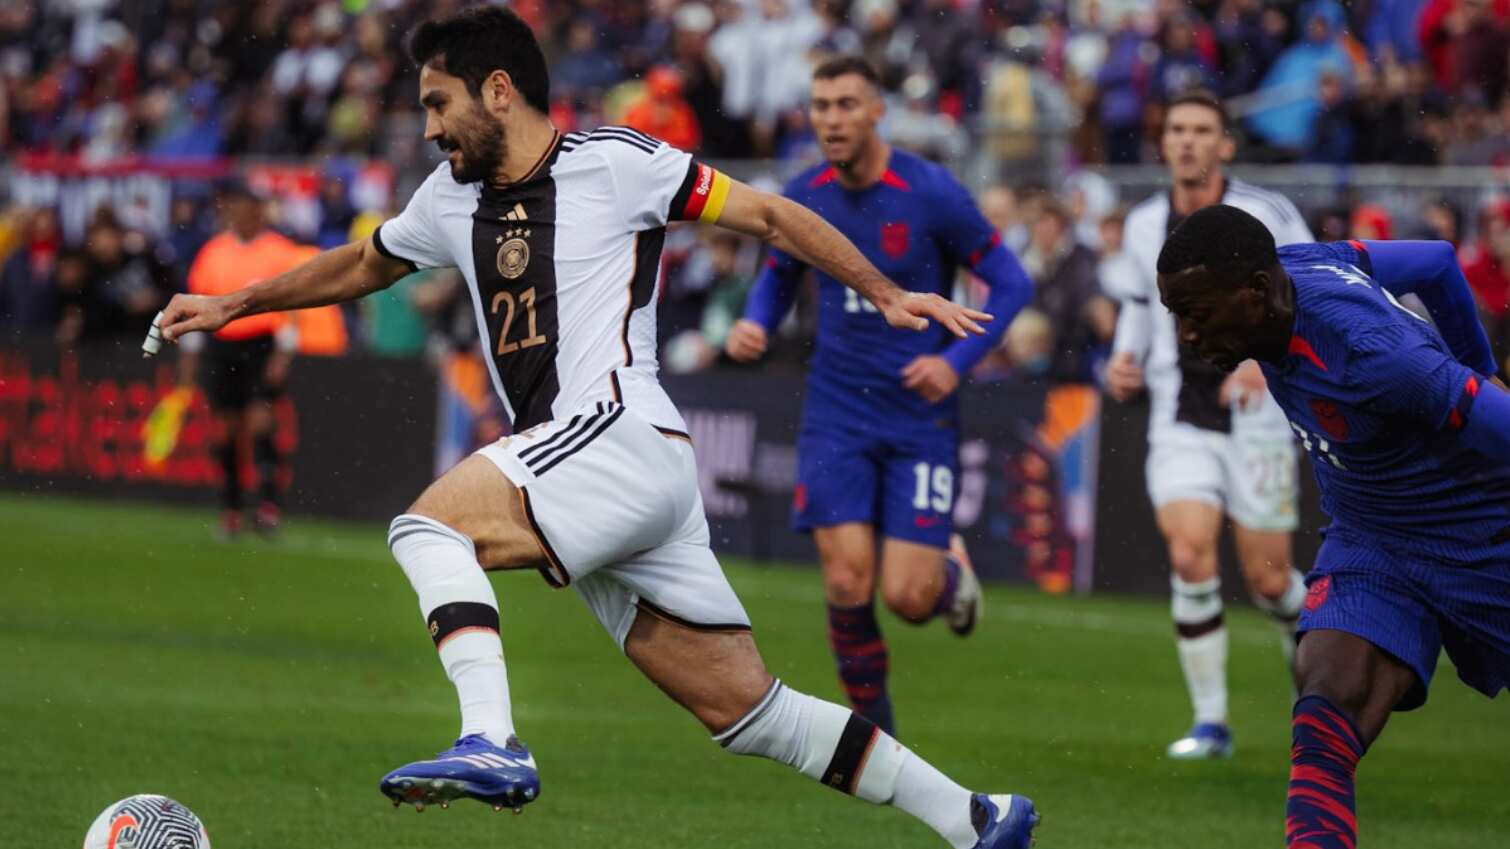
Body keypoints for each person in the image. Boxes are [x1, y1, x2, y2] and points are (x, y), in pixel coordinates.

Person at [153, 8, 1038, 848]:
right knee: (749, 711)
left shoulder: (617, 161)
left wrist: (882, 290)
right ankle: (978, 818)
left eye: (437, 103)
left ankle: (492, 738)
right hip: (610, 469)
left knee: (427, 528)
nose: (428, 128)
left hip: (617, 430)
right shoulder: (448, 197)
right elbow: (362, 262)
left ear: (498, 90)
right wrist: (235, 302)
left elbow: (766, 213)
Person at [1154, 203, 1510, 849]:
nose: (1186, 335)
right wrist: (1481, 361)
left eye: (1196, 314)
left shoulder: (1376, 357)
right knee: (1325, 700)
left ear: (1256, 294)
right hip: (1372, 537)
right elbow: (1432, 263)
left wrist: (1478, 378)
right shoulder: (1299, 262)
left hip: (1479, 540)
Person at [724, 56, 1033, 736]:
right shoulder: (803, 194)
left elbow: (1012, 283)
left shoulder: (931, 192)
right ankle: (875, 737)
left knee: (909, 598)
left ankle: (949, 577)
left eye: (844, 104)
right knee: (844, 580)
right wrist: (755, 319)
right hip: (837, 409)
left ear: (875, 112)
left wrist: (956, 362)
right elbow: (777, 274)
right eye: (821, 105)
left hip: (920, 416)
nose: (830, 118)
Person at [1104, 89, 1315, 759]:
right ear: (1163, 143)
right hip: (1179, 411)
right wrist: (1124, 357)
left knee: (1272, 581)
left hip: (1257, 412)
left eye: (1202, 129)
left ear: (1225, 144)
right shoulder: (1143, 225)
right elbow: (1140, 303)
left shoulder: (1266, 214)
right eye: (1177, 129)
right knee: (1190, 551)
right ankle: (1211, 722)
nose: (1188, 141)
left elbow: (1313, 287)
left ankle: (1315, 689)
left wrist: (1264, 359)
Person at [179, 179, 317, 537]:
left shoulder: (280, 251)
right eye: (237, 204)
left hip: (261, 344)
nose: (242, 211)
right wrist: (190, 353)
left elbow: (292, 306)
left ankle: (268, 506)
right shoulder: (213, 251)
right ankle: (231, 508)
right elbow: (197, 302)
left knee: (259, 424)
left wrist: (283, 354)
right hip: (222, 345)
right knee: (224, 432)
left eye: (249, 204)